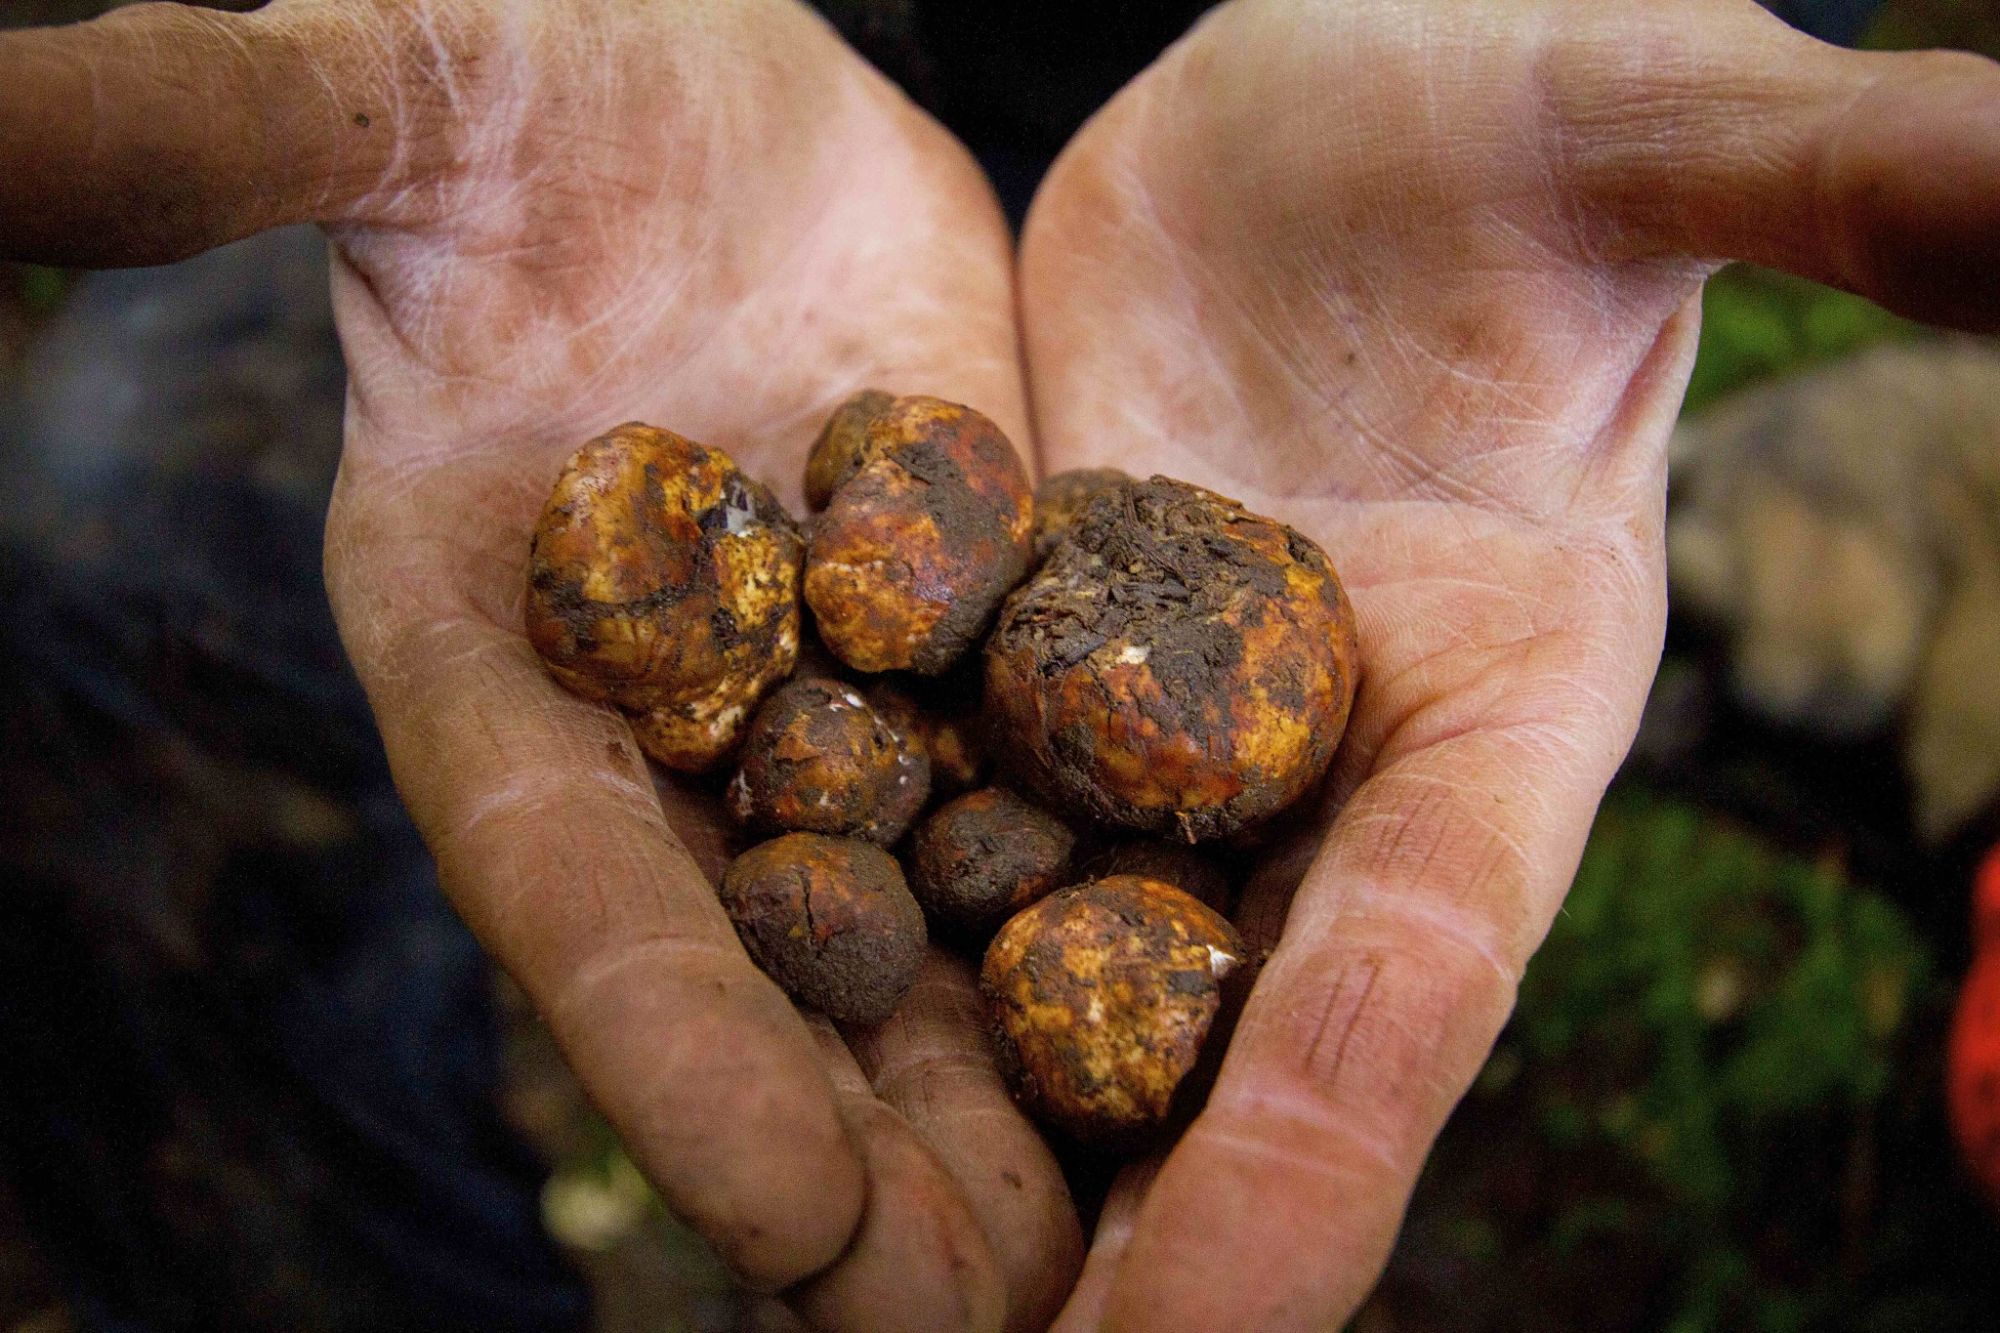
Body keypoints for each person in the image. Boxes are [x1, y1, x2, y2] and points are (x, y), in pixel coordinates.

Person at [3, 1, 1997, 1330]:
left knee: (1496, 782)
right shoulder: (848, 637)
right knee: (95, 567)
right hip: (706, 115)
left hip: (1349, 170)